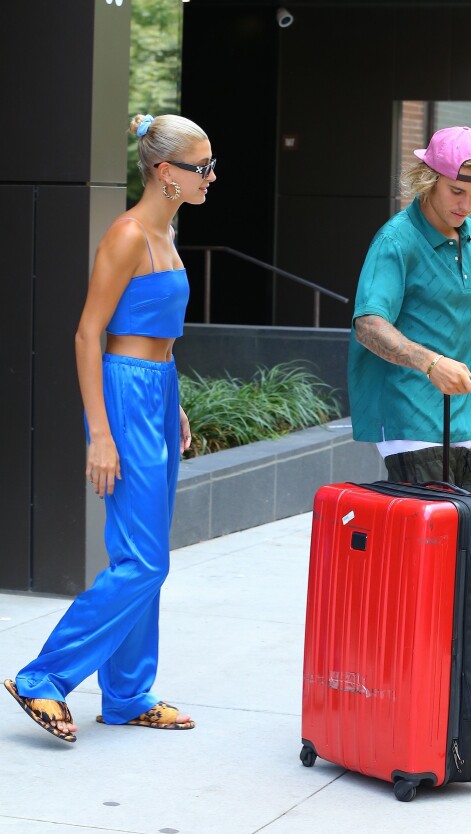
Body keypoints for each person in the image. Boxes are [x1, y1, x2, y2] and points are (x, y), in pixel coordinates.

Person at [4, 113, 217, 742]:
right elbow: (88, 333)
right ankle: (44, 676)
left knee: (145, 551)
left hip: (157, 389)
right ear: (163, 172)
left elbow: (154, 330)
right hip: (122, 395)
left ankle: (126, 693)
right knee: (144, 561)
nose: (211, 176)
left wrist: (173, 399)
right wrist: (99, 432)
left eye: (210, 164)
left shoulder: (167, 231)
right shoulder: (127, 234)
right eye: (200, 167)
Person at [348, 125, 471, 496]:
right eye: (456, 191)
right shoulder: (396, 240)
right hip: (409, 420)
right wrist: (431, 363)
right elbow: (368, 325)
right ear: (429, 179)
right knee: (436, 545)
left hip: (465, 417)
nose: (464, 205)